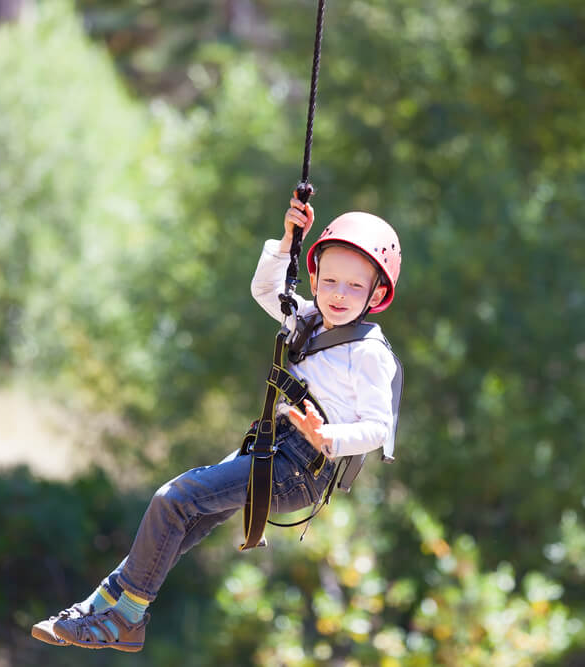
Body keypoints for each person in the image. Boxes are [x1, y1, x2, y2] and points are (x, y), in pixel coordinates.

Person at [31, 196, 402, 651]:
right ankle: (101, 604)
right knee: (187, 520)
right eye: (329, 282)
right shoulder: (308, 319)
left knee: (175, 498)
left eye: (353, 286)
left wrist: (329, 437)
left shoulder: (368, 353)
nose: (338, 295)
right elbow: (265, 291)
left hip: (302, 468)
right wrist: (287, 240)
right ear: (315, 278)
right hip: (274, 448)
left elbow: (379, 427)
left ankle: (127, 618)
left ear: (376, 294)